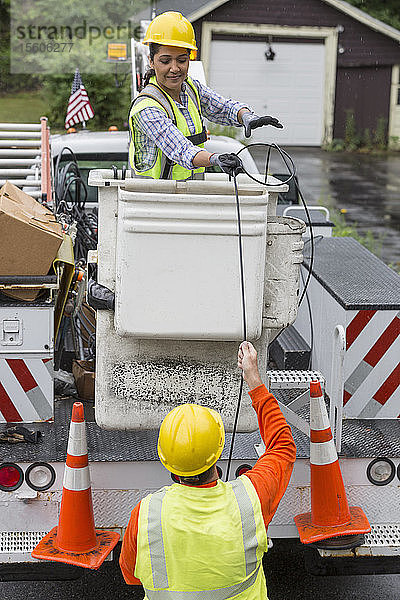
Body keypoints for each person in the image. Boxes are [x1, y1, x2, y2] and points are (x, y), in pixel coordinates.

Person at [119, 341, 296, 598]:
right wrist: (254, 379)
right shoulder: (250, 499)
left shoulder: (146, 514)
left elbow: (131, 576)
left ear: (166, 460)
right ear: (218, 452)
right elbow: (282, 446)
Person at [129, 11, 283, 180]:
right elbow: (181, 150)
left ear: (189, 59)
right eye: (165, 61)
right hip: (152, 199)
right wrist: (215, 159)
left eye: (181, 60)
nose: (174, 68)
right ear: (151, 61)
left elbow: (223, 108)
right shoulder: (146, 108)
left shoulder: (191, 88)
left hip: (189, 195)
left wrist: (246, 116)